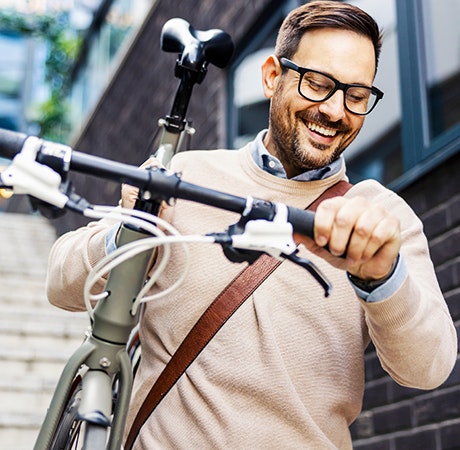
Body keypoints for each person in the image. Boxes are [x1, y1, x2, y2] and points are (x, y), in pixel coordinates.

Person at [46, 1, 457, 448]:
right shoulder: (186, 176)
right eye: (318, 83)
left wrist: (383, 276)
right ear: (271, 77)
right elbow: (61, 282)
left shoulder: (381, 219)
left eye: (356, 96)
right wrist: (127, 230)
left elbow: (428, 369)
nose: (336, 110)